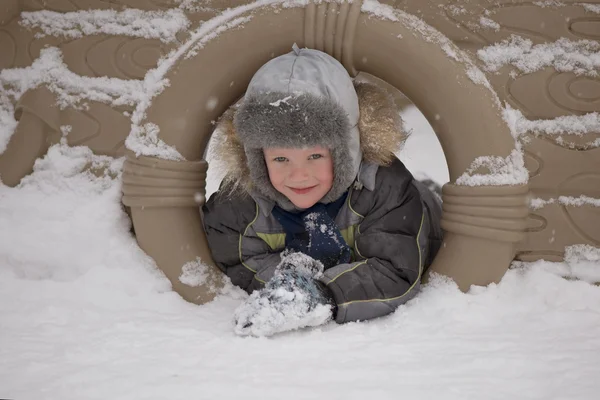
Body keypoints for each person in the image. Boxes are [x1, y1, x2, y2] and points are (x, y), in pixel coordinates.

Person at [202, 45, 443, 337]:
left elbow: (395, 269)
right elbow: (237, 258)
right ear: (257, 157)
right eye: (281, 159)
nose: (299, 175)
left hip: (425, 216)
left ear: (345, 152)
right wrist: (288, 277)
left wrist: (321, 292)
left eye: (315, 156)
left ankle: (428, 185)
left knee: (426, 198)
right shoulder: (238, 205)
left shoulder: (385, 189)